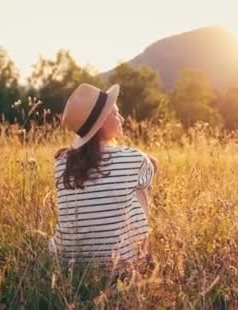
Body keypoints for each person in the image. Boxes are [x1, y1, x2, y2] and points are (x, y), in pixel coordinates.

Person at [48, 83, 157, 268]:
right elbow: (153, 165)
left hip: (67, 263)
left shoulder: (61, 162)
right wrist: (150, 163)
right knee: (142, 188)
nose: (121, 118)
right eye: (115, 113)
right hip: (119, 264)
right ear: (101, 122)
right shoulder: (133, 158)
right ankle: (142, 253)